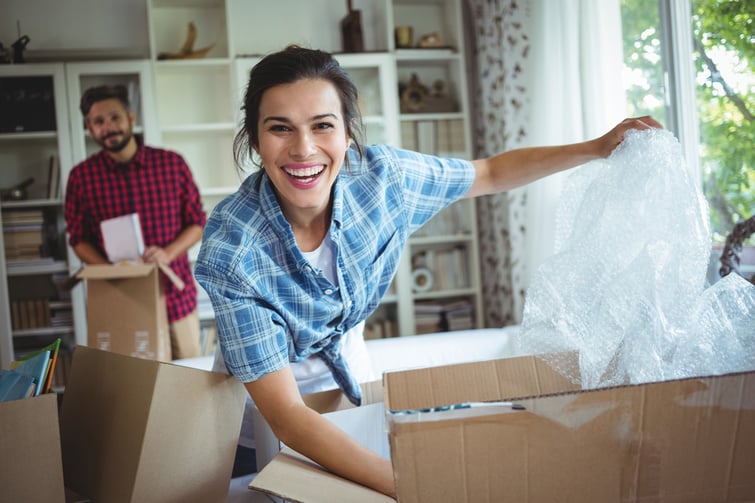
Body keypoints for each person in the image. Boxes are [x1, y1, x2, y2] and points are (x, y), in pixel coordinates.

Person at [194, 45, 662, 497]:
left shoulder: (385, 181)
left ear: (348, 134)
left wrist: (597, 147)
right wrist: (419, 483)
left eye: (323, 126)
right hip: (267, 413)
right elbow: (288, 417)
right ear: (255, 140)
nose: (304, 149)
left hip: (348, 381)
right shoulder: (232, 250)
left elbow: (490, 173)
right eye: (281, 129)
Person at [64, 84, 207, 360]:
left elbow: (197, 222)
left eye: (114, 117)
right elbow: (78, 238)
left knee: (189, 379)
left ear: (130, 118)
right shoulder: (81, 177)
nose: (108, 127)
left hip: (176, 298)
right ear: (90, 128)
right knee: (137, 387)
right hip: (121, 303)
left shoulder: (172, 164)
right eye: (98, 121)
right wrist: (109, 271)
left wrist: (167, 253)